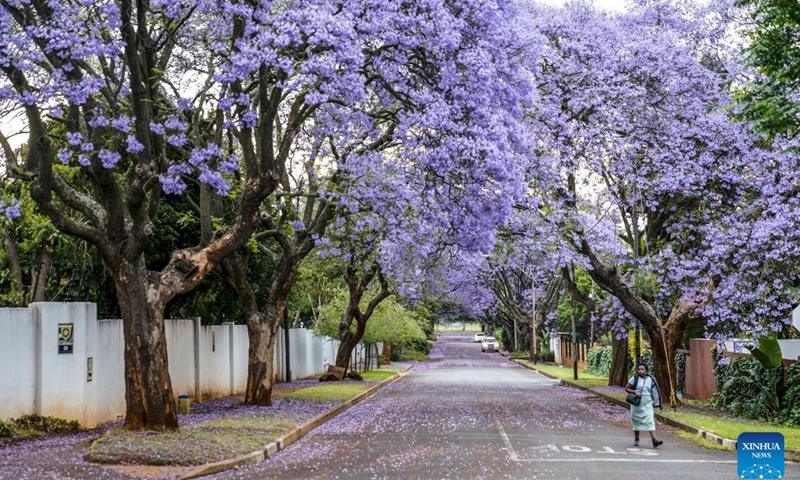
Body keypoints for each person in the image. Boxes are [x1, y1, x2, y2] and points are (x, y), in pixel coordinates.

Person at [625, 362, 663, 448]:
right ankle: (637, 439)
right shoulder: (634, 378)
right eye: (639, 369)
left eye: (642, 369)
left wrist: (658, 403)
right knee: (637, 420)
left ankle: (654, 440)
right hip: (637, 401)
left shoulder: (651, 379)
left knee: (649, 420)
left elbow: (655, 392)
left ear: (646, 371)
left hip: (647, 401)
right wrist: (635, 391)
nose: (640, 371)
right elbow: (626, 388)